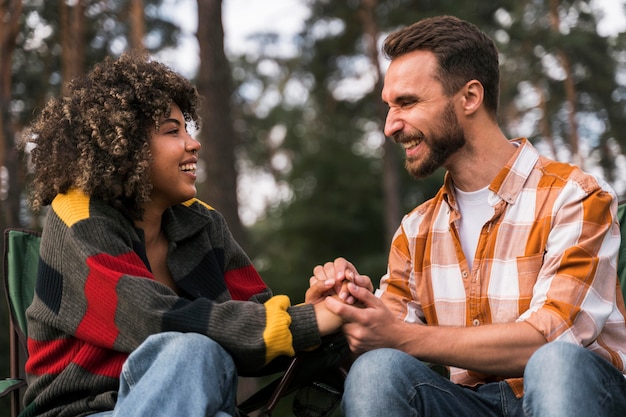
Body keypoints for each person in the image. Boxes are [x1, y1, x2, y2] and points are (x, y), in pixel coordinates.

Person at [312, 15, 626, 417]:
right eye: (389, 107)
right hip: (469, 406)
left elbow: (551, 338)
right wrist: (340, 310)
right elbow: (382, 338)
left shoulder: (575, 197)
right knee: (377, 370)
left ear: (470, 97)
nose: (390, 125)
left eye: (407, 103)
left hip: (578, 397)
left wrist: (403, 337)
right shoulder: (414, 231)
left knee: (554, 363)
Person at [19, 51, 354, 417]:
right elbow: (148, 319)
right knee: (194, 349)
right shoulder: (77, 216)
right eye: (172, 131)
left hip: (197, 404)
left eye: (187, 128)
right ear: (125, 147)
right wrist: (302, 323)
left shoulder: (202, 223)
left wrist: (322, 309)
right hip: (85, 410)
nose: (193, 143)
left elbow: (256, 327)